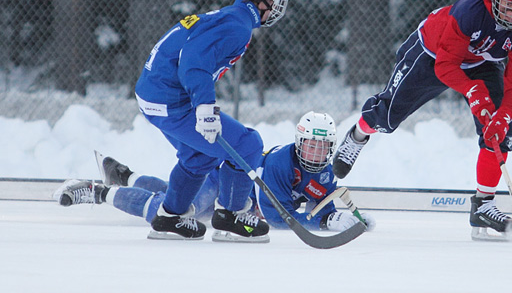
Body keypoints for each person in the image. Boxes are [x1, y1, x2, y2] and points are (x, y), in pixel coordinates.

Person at [332, 0, 512, 240]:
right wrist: (471, 91)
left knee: (500, 130)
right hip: (432, 53)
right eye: (509, 6)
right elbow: (445, 66)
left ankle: (483, 204)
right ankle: (357, 136)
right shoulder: (470, 12)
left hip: (480, 62)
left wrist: (504, 114)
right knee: (388, 117)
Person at [131, 0, 290, 241]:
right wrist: (204, 108)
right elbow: (193, 62)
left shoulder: (231, 17)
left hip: (155, 95)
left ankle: (170, 218)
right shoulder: (237, 26)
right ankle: (231, 217)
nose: (278, 5)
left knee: (200, 154)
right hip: (170, 99)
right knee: (247, 144)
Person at [52, 111, 375, 236]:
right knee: (167, 209)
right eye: (311, 146)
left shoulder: (323, 175)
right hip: (224, 187)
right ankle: (97, 192)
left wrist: (339, 219)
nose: (316, 154)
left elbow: (324, 206)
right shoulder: (279, 163)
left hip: (235, 204)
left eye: (323, 148)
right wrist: (320, 224)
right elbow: (279, 218)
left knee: (170, 193)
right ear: (298, 143)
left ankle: (127, 176)